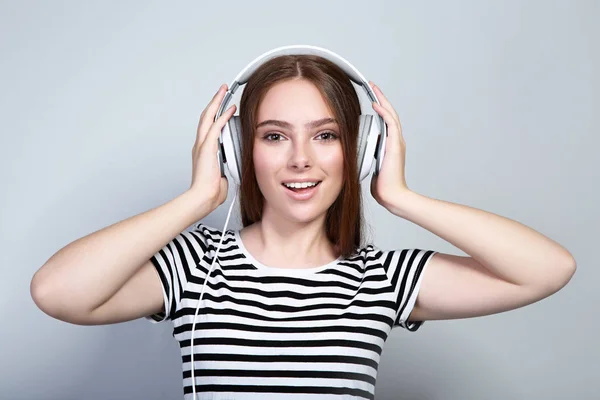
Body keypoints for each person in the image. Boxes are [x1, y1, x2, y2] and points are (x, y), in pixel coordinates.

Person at [30, 54, 577, 400]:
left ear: (359, 151)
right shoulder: (194, 266)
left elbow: (549, 270)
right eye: (273, 136)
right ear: (238, 152)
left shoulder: (384, 278)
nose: (300, 160)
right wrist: (197, 198)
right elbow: (58, 293)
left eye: (325, 135)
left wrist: (400, 197)